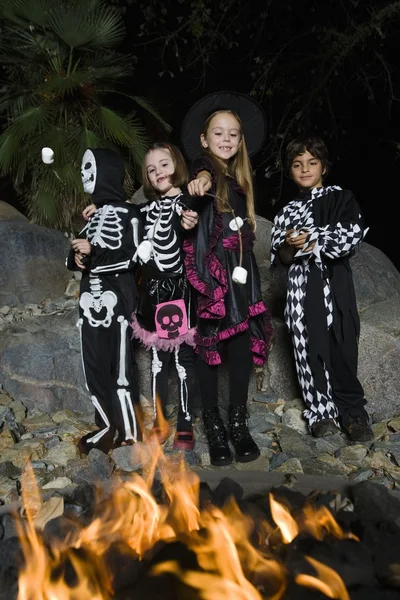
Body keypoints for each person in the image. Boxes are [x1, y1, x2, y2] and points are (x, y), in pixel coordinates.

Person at [181, 91, 274, 466]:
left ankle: (238, 421)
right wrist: (200, 181)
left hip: (241, 274)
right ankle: (214, 424)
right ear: (204, 140)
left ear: (240, 141)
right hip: (211, 275)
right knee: (208, 349)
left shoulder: (239, 182)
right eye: (218, 133)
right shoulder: (204, 171)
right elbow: (200, 175)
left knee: (237, 347)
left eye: (232, 134)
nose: (225, 139)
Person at [271, 135, 373, 441]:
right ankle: (321, 414)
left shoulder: (341, 198)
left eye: (312, 163)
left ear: (324, 167)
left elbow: (349, 237)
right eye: (297, 164)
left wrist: (312, 237)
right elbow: (282, 258)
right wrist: (291, 244)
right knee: (307, 348)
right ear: (290, 171)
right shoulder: (286, 211)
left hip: (335, 286)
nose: (305, 169)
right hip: (302, 290)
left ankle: (352, 413)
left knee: (341, 347)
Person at [67, 148, 143, 454]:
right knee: (94, 368)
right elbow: (74, 260)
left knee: (122, 369)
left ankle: (130, 431)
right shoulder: (90, 218)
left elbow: (133, 255)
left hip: (119, 301)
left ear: (107, 174)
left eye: (90, 170)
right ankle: (107, 426)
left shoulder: (130, 214)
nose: (85, 176)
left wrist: (94, 253)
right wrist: (77, 256)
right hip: (88, 303)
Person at [130, 142, 199, 451]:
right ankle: (160, 420)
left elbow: (196, 222)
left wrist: (190, 222)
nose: (158, 171)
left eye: (164, 164)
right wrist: (99, 209)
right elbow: (124, 216)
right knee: (158, 361)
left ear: (177, 166)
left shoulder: (187, 203)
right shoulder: (144, 209)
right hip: (151, 292)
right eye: (151, 168)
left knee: (183, 360)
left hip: (178, 290)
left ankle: (185, 421)